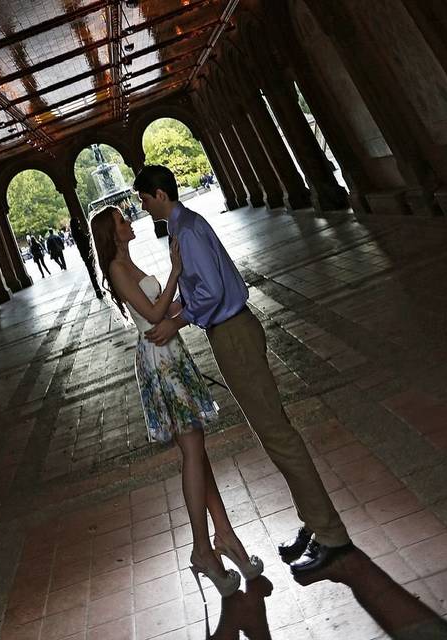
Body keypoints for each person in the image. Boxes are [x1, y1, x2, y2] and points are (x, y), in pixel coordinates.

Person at [133, 164, 353, 580]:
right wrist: (177, 309)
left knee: (277, 433)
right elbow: (202, 289)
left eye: (144, 199)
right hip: (230, 332)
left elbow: (213, 291)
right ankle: (313, 519)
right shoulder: (184, 227)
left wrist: (176, 322)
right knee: (270, 431)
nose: (143, 208)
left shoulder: (188, 230)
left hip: (233, 333)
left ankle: (332, 534)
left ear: (159, 194)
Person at [90, 204, 261, 599]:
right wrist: (175, 271)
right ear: (112, 233)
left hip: (172, 351)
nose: (129, 223)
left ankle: (225, 536)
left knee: (197, 451)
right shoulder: (117, 269)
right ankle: (203, 549)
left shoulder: (129, 264)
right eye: (122, 221)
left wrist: (200, 298)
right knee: (193, 451)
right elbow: (151, 312)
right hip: (159, 360)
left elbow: (167, 308)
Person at [69, 214, 104, 299]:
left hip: (85, 255)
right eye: (78, 222)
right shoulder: (79, 232)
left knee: (92, 272)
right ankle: (98, 290)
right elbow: (85, 242)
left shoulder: (75, 232)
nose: (79, 223)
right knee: (93, 272)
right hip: (88, 254)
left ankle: (98, 289)